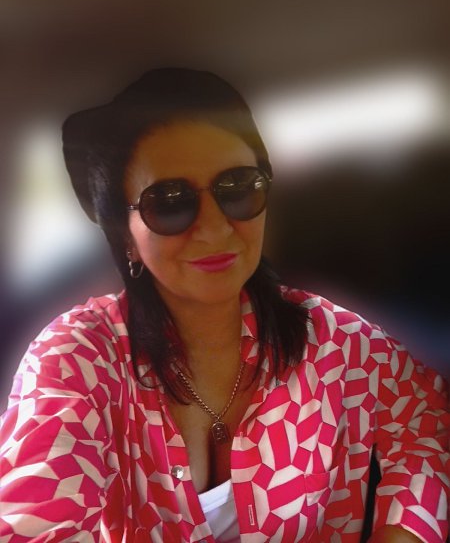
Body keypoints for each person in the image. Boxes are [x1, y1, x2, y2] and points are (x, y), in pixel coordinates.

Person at [0, 68, 448, 543]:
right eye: (168, 202)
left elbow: (427, 424)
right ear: (124, 237)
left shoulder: (334, 341)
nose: (214, 228)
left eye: (238, 188)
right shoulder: (77, 360)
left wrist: (402, 532)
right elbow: (34, 521)